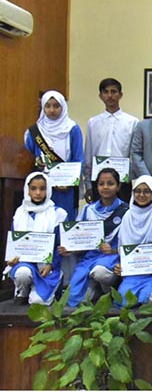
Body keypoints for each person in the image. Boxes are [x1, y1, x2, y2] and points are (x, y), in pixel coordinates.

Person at [65, 168, 129, 307]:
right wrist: (71, 248)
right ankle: (96, 289)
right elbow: (77, 236)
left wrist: (113, 251)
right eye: (101, 184)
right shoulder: (88, 210)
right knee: (75, 299)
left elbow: (133, 242)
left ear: (118, 187)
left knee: (99, 272)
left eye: (110, 183)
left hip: (112, 258)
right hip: (89, 258)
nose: (105, 187)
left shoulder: (127, 211)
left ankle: (108, 290)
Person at [6, 173, 66, 305]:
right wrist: (11, 259)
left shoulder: (58, 214)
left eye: (42, 188)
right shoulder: (20, 212)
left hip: (46, 267)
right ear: (27, 190)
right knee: (22, 272)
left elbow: (60, 244)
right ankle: (23, 290)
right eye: (33, 188)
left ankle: (49, 287)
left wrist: (51, 264)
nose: (38, 193)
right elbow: (14, 242)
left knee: (38, 302)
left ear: (48, 189)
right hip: (25, 263)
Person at [114, 175, 152, 305]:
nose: (142, 195)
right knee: (122, 301)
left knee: (150, 300)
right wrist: (121, 265)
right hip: (133, 274)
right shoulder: (128, 217)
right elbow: (123, 248)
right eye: (138, 191)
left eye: (147, 191)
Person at [24, 90, 84, 221]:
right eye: (48, 106)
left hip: (66, 189)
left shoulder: (73, 129)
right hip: (41, 187)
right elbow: (26, 159)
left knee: (65, 221)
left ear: (63, 107)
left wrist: (69, 182)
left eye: (56, 106)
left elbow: (79, 159)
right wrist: (36, 164)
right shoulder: (34, 132)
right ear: (43, 108)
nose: (52, 110)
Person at [82, 78, 139, 203]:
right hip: (98, 181)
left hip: (122, 182)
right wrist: (88, 184)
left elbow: (135, 155)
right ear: (100, 96)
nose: (110, 96)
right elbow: (89, 154)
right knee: (99, 217)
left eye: (114, 92)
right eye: (106, 92)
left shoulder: (132, 122)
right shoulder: (93, 122)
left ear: (120, 95)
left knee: (122, 216)